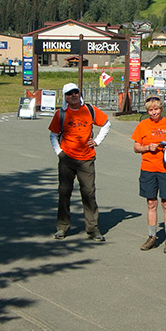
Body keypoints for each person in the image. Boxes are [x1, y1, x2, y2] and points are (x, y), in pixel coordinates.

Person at [50, 82, 110, 241]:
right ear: (65, 97)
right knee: (64, 192)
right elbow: (53, 135)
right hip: (67, 159)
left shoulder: (89, 110)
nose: (73, 95)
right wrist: (59, 153)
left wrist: (97, 141)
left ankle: (92, 228)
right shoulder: (60, 114)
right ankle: (62, 227)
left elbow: (106, 124)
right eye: (69, 94)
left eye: (75, 92)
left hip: (86, 159)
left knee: (89, 193)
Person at [131, 94, 166, 251]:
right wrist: (147, 147)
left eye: (156, 109)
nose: (154, 112)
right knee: (151, 203)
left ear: (161, 109)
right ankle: (152, 237)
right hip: (148, 168)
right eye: (150, 110)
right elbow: (136, 147)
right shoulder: (143, 125)